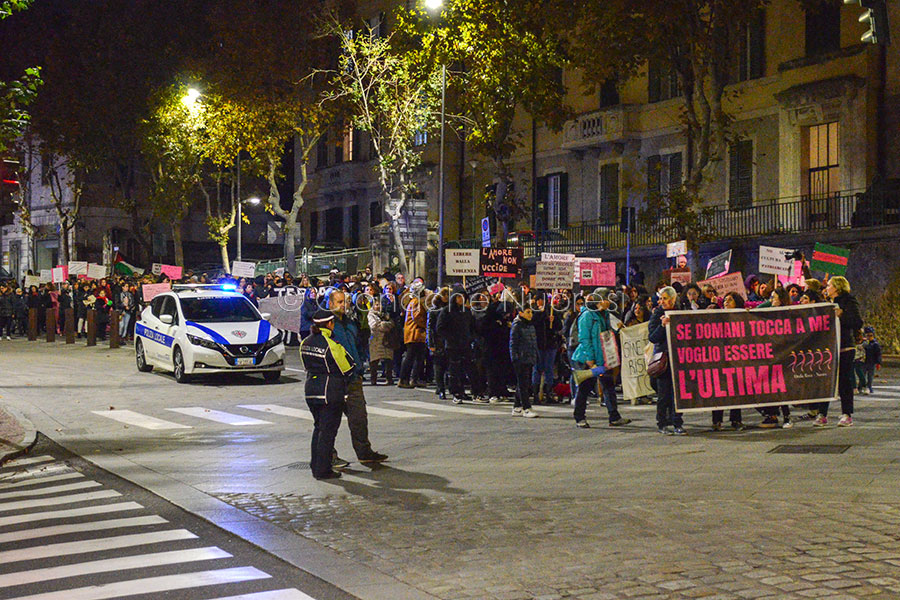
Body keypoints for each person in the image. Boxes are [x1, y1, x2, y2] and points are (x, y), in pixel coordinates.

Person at [328, 289, 388, 466]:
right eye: (339, 302)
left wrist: (360, 365)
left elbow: (360, 342)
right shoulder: (327, 323)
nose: (343, 305)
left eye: (345, 302)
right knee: (330, 421)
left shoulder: (350, 322)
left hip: (353, 378)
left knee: (359, 418)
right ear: (330, 304)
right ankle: (329, 455)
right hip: (336, 380)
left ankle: (364, 452)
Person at [300, 310, 355, 480]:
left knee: (318, 429)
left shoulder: (305, 342)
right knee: (328, 432)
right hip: (330, 391)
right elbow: (347, 367)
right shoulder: (332, 344)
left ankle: (315, 464)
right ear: (330, 324)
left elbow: (305, 366)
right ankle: (323, 469)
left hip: (311, 390)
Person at [571, 293, 631, 429]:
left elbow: (606, 334)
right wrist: (590, 360)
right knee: (584, 388)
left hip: (604, 358)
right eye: (606, 299)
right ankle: (579, 417)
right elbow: (584, 339)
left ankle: (614, 416)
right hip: (587, 359)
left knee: (609, 387)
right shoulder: (587, 316)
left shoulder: (604, 314)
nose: (609, 302)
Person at [816, 276, 862, 427]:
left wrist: (841, 315)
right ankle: (822, 414)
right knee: (825, 381)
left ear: (837, 287)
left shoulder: (848, 301)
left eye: (829, 285)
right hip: (828, 348)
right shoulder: (826, 303)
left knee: (844, 382)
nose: (827, 288)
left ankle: (846, 414)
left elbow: (857, 322)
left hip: (844, 347)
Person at [649, 286, 685, 435]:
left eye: (664, 298)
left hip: (679, 358)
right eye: (660, 298)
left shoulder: (681, 312)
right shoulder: (657, 314)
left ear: (673, 299)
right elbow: (652, 337)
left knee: (677, 393)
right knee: (663, 394)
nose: (661, 301)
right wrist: (663, 326)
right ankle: (662, 423)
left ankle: (677, 422)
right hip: (664, 359)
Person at [509, 300, 539, 418]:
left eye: (531, 312)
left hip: (529, 357)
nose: (530, 314)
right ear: (520, 313)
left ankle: (517, 407)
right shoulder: (517, 325)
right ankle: (526, 407)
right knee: (523, 384)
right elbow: (513, 343)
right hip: (521, 358)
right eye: (527, 312)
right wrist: (515, 358)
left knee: (523, 383)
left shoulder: (530, 325)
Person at [399, 279, 428, 388]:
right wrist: (425, 325)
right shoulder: (415, 302)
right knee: (411, 357)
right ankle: (404, 379)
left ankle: (413, 379)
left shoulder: (414, 301)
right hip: (414, 333)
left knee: (418, 357)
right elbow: (417, 317)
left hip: (415, 333)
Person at [367, 298, 394, 386]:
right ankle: (373, 379)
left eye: (380, 304)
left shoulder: (386, 314)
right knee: (374, 360)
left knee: (388, 359)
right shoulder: (371, 315)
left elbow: (391, 324)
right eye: (377, 305)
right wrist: (385, 325)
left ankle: (389, 378)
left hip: (387, 339)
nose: (379, 307)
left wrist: (383, 324)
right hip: (376, 340)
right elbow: (374, 325)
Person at [862, 326, 882, 395]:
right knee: (862, 375)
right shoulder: (864, 343)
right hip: (864, 362)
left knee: (870, 376)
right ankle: (862, 386)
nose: (869, 337)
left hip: (871, 362)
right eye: (868, 335)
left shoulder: (875, 344)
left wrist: (878, 363)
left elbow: (878, 354)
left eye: (871, 335)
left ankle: (869, 386)